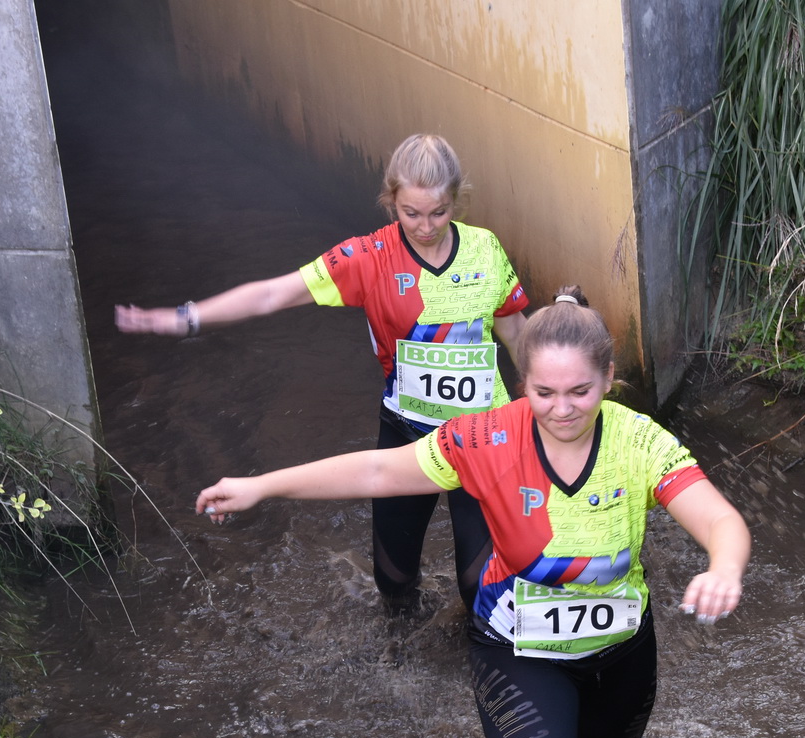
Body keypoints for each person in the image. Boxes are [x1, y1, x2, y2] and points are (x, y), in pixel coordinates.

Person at [195, 287, 750, 738]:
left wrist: (723, 566)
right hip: (518, 653)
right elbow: (379, 468)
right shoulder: (484, 440)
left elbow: (718, 518)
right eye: (544, 393)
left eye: (580, 392)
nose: (562, 409)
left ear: (609, 378)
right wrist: (263, 485)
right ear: (522, 383)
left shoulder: (638, 440)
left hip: (622, 654)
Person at [117, 133, 529, 612]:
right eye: (410, 213)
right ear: (390, 200)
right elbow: (274, 294)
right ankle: (401, 654)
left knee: (480, 588)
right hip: (408, 433)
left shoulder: (486, 250)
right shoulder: (367, 258)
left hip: (483, 436)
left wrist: (543, 412)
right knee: (394, 584)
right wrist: (188, 317)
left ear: (456, 199)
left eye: (438, 212)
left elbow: (519, 337)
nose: (425, 226)